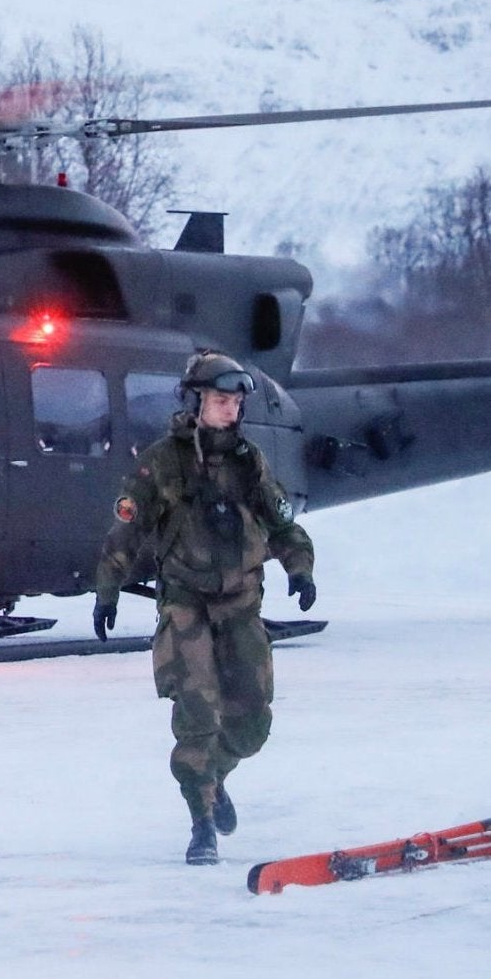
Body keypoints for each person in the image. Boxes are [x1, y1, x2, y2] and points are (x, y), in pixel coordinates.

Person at [94, 350, 317, 865]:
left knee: (251, 723)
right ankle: (201, 823)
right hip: (186, 606)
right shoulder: (162, 462)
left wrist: (299, 566)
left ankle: (213, 778)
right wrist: (107, 590)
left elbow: (280, 519)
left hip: (241, 604)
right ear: (196, 402)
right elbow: (127, 529)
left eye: (236, 402)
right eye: (220, 401)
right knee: (196, 715)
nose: (231, 410)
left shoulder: (248, 461)